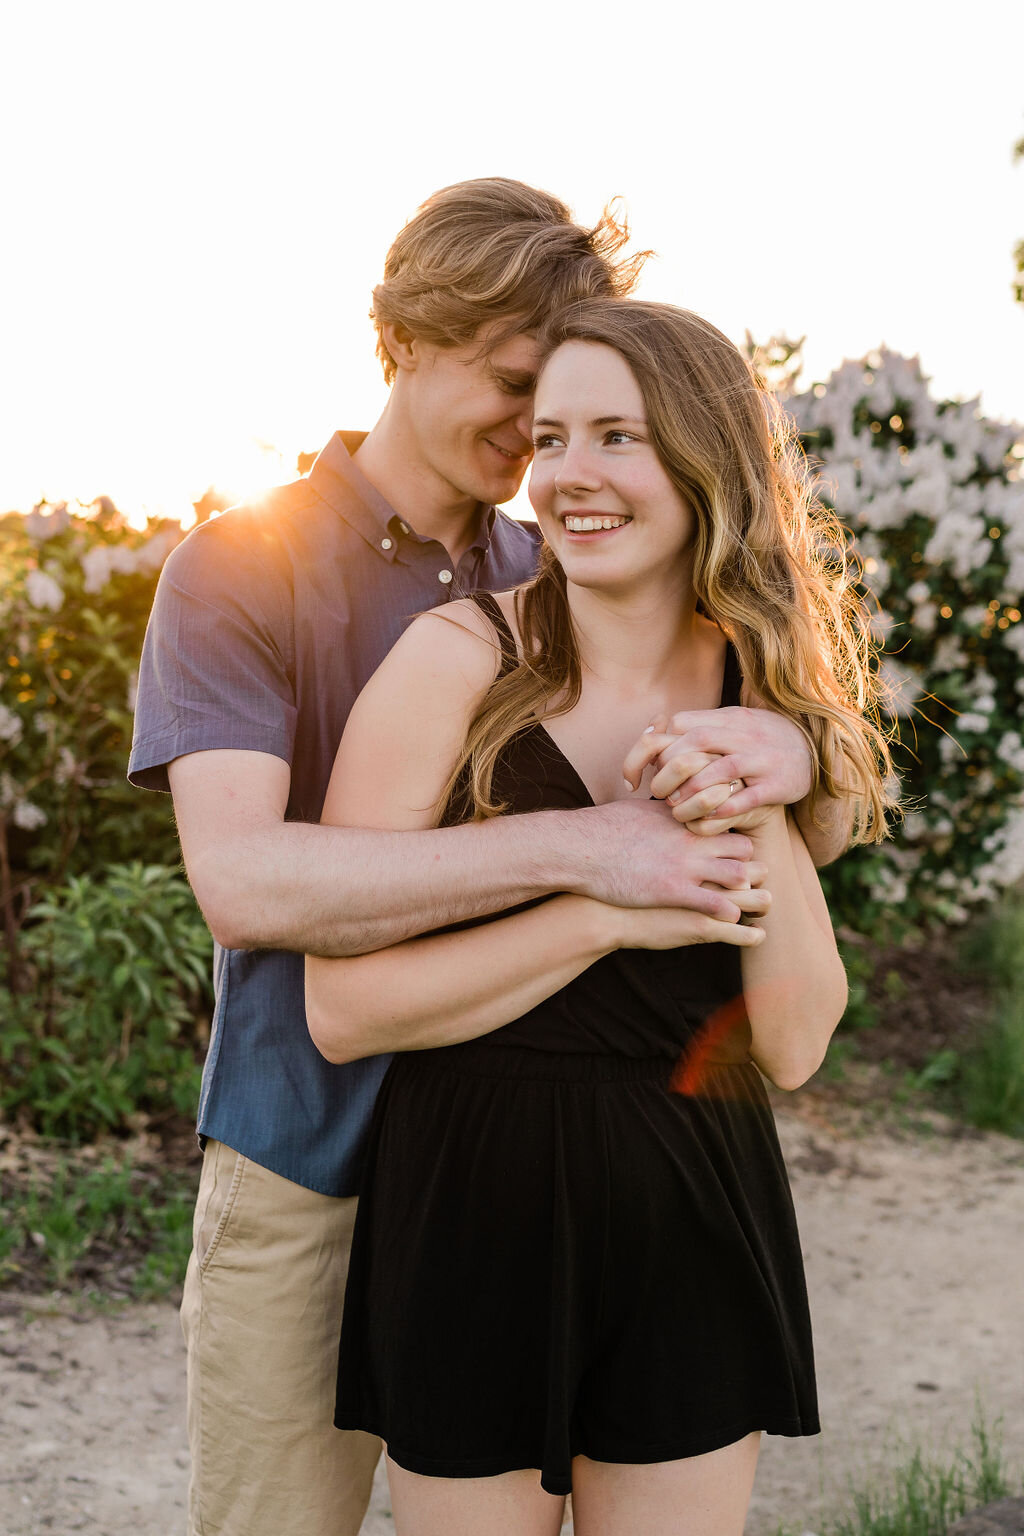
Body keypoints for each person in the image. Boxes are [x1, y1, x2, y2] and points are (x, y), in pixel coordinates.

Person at [129, 180, 849, 1536]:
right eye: (519, 388)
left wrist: (795, 756)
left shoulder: (568, 565)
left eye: (574, 411)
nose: (539, 440)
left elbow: (770, 793)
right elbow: (247, 884)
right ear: (404, 338)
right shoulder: (245, 568)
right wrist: (591, 862)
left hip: (543, 1155)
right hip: (313, 1158)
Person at [304, 298, 896, 1536]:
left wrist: (763, 781)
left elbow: (792, 1042)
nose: (570, 474)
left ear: (701, 458)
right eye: (554, 436)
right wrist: (603, 910)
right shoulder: (455, 660)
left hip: (693, 1200)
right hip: (468, 1201)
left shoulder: (763, 682)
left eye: (617, 437)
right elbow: (344, 1010)